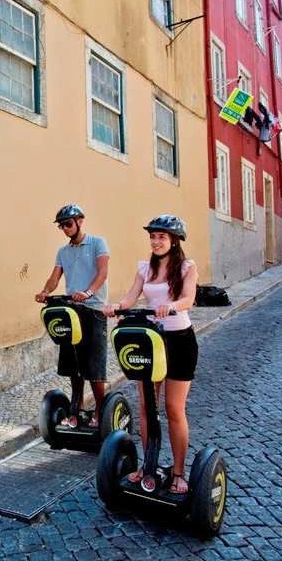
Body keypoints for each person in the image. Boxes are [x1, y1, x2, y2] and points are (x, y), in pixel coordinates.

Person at [102, 215, 198, 494]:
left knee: (173, 409)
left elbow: (189, 299)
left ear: (174, 240)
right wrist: (117, 307)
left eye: (162, 237)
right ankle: (148, 465)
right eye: (153, 237)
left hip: (179, 341)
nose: (156, 242)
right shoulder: (145, 268)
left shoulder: (187, 267)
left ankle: (179, 473)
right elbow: (131, 296)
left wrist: (171, 306)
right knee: (146, 407)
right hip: (152, 340)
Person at [35, 204, 110, 429]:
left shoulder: (98, 243)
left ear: (80, 221)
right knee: (74, 366)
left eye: (68, 224)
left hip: (94, 310)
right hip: (72, 313)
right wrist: (45, 292)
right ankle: (75, 411)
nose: (65, 229)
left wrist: (87, 292)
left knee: (94, 368)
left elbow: (102, 273)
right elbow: (55, 277)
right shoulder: (63, 251)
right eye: (61, 226)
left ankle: (100, 411)